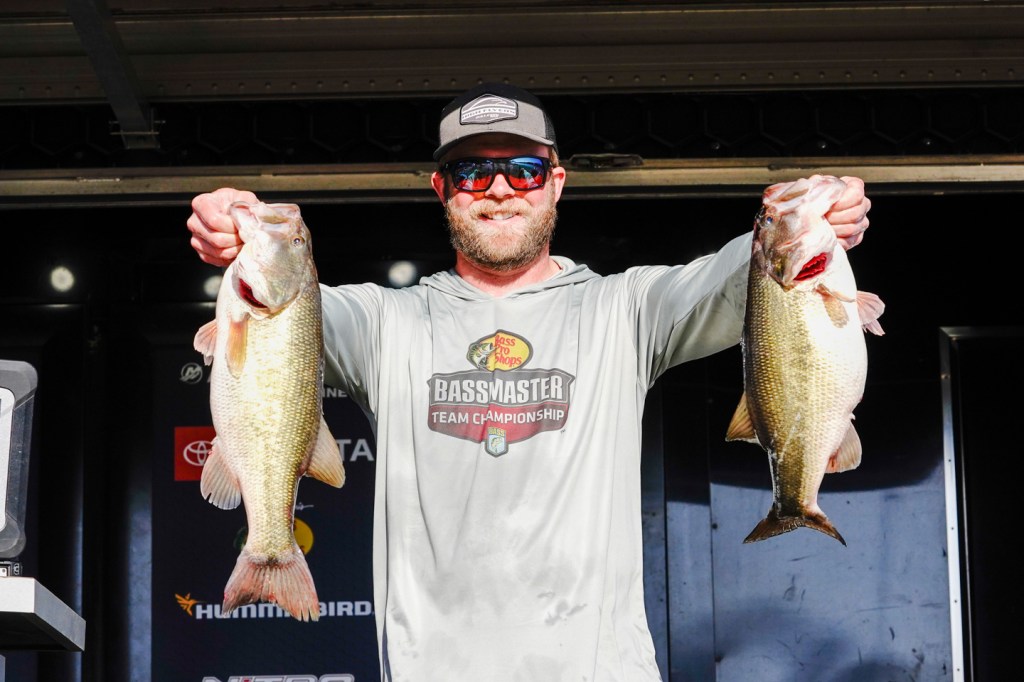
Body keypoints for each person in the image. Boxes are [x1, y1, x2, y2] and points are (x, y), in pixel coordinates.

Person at [187, 83, 871, 681]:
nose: (500, 189)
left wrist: (815, 214)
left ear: (556, 182)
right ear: (441, 189)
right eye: (472, 171)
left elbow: (750, 274)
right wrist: (235, 220)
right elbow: (283, 311)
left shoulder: (626, 309)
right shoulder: (384, 322)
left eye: (523, 169)